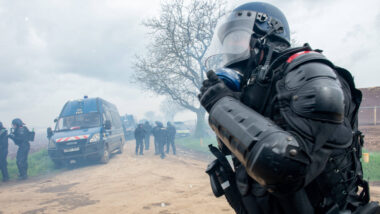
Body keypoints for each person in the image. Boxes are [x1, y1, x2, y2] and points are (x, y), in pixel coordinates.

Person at [198, 2, 379, 214]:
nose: (229, 54)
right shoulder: (255, 94)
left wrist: (220, 105)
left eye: (236, 41)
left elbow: (284, 167)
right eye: (226, 46)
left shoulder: (308, 71)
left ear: (267, 37)